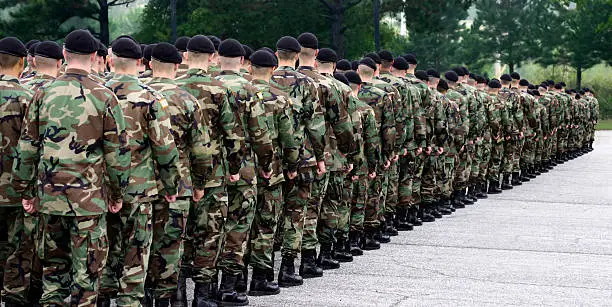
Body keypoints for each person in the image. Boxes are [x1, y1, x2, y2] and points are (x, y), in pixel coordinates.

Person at [12, 29, 131, 306]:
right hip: (89, 200)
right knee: (87, 274)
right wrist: (117, 194)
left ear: (64, 54)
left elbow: (27, 147)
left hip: (50, 196)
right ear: (94, 56)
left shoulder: (42, 92)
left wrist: (25, 190)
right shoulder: (106, 96)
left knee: (53, 273)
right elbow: (118, 155)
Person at [98, 37, 181, 307]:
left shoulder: (95, 94)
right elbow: (165, 149)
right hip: (139, 189)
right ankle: (129, 301)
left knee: (103, 250)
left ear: (110, 61)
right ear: (140, 63)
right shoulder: (150, 98)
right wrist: (171, 187)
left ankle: (102, 298)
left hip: (98, 189)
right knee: (136, 251)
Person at [175, 34, 245, 307]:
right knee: (209, 234)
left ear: (186, 56)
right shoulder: (219, 90)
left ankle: (177, 294)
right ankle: (202, 295)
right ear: (213, 57)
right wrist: (235, 167)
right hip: (213, 174)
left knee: (179, 234)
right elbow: (232, 135)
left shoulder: (172, 87)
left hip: (179, 174)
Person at [145, 42, 209, 306]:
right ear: (178, 64)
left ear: (150, 63)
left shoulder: (136, 94)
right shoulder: (186, 100)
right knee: (171, 246)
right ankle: (171, 299)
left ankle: (143, 297)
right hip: (179, 184)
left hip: (139, 183)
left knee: (138, 246)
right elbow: (201, 150)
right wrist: (200, 182)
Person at [214, 38, 274, 306]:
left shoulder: (205, 87)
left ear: (217, 58)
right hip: (245, 168)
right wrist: (266, 165)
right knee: (238, 227)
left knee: (206, 229)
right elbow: (261, 135)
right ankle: (230, 286)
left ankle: (196, 290)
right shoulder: (250, 90)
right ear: (242, 62)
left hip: (210, 170)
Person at [269, 36, 325, 288]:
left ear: (276, 53)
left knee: (267, 215)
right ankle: (289, 267)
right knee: (295, 212)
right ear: (298, 55)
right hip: (301, 157)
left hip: (269, 157)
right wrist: (320, 157)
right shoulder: (307, 83)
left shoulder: (261, 79)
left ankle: (262, 269)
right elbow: (315, 126)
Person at [246, 49, 299, 296]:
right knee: (266, 224)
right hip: (271, 170)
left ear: (249, 67)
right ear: (272, 69)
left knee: (239, 224)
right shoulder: (280, 98)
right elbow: (289, 139)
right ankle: (260, 277)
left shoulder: (238, 93)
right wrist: (292, 166)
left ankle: (234, 280)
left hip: (241, 170)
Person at [0, 36, 37, 307]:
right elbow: (34, 147)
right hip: (16, 189)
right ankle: (13, 297)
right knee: (18, 250)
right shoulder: (29, 98)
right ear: (23, 62)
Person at [356, 57, 396, 249]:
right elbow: (389, 129)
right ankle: (370, 233)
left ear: (357, 71)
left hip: (351, 149)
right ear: (375, 71)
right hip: (374, 148)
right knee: (373, 191)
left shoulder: (350, 92)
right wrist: (387, 154)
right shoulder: (382, 95)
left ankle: (351, 236)